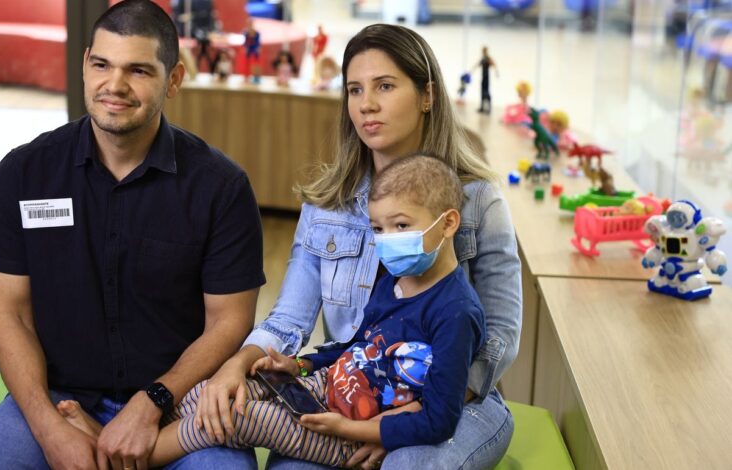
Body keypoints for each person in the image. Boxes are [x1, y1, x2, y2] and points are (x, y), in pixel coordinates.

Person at [0, 1, 265, 469]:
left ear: (173, 79)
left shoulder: (221, 187)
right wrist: (49, 428)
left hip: (183, 404)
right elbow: (9, 313)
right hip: (54, 397)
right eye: (101, 65)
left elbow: (229, 322)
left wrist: (152, 401)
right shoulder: (23, 174)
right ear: (84, 65)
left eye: (138, 70)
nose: (114, 85)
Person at [202, 23, 521, 470]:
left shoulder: (479, 201)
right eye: (354, 90)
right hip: (350, 393)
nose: (366, 103)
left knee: (408, 464)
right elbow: (289, 318)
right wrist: (240, 363)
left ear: (427, 95)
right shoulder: (326, 203)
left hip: (456, 403)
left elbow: (500, 337)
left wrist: (400, 423)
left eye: (384, 86)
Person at [53, 154, 487, 468]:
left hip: (347, 430)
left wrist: (350, 430)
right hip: (324, 389)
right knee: (213, 392)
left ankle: (114, 456)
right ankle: (120, 440)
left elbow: (438, 417)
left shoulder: (455, 312)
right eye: (378, 229)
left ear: (448, 223)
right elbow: (356, 345)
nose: (386, 240)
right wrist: (298, 365)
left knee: (234, 416)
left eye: (401, 226)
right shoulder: (393, 282)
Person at [475, 46, 498, 114]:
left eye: (484, 50)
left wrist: (496, 72)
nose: (483, 52)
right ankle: (482, 108)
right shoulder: (483, 58)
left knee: (486, 93)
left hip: (486, 78)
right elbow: (478, 64)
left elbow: (494, 64)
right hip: (483, 77)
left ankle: (489, 109)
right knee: (482, 93)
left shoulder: (488, 58)